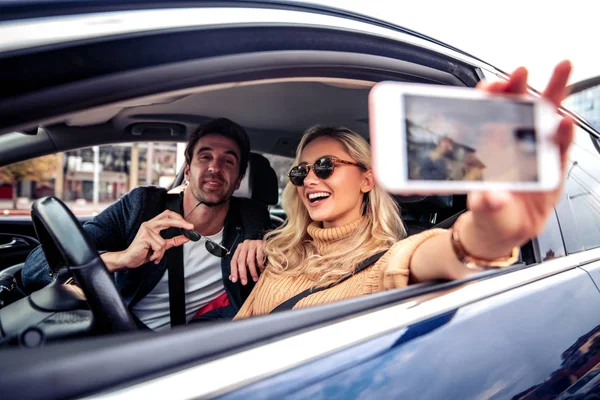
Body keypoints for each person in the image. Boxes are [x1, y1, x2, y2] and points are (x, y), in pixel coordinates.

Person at [232, 61, 574, 318]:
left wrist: (488, 236)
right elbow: (237, 330)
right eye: (300, 171)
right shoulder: (282, 254)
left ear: (367, 180)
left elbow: (435, 255)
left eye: (325, 166)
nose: (309, 180)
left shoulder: (384, 261)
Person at [22, 118, 272, 330]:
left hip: (194, 349)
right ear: (187, 171)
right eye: (205, 157)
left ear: (238, 180)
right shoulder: (141, 206)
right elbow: (36, 267)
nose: (215, 168)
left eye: (228, 161)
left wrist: (258, 241)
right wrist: (122, 258)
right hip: (122, 335)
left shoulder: (252, 217)